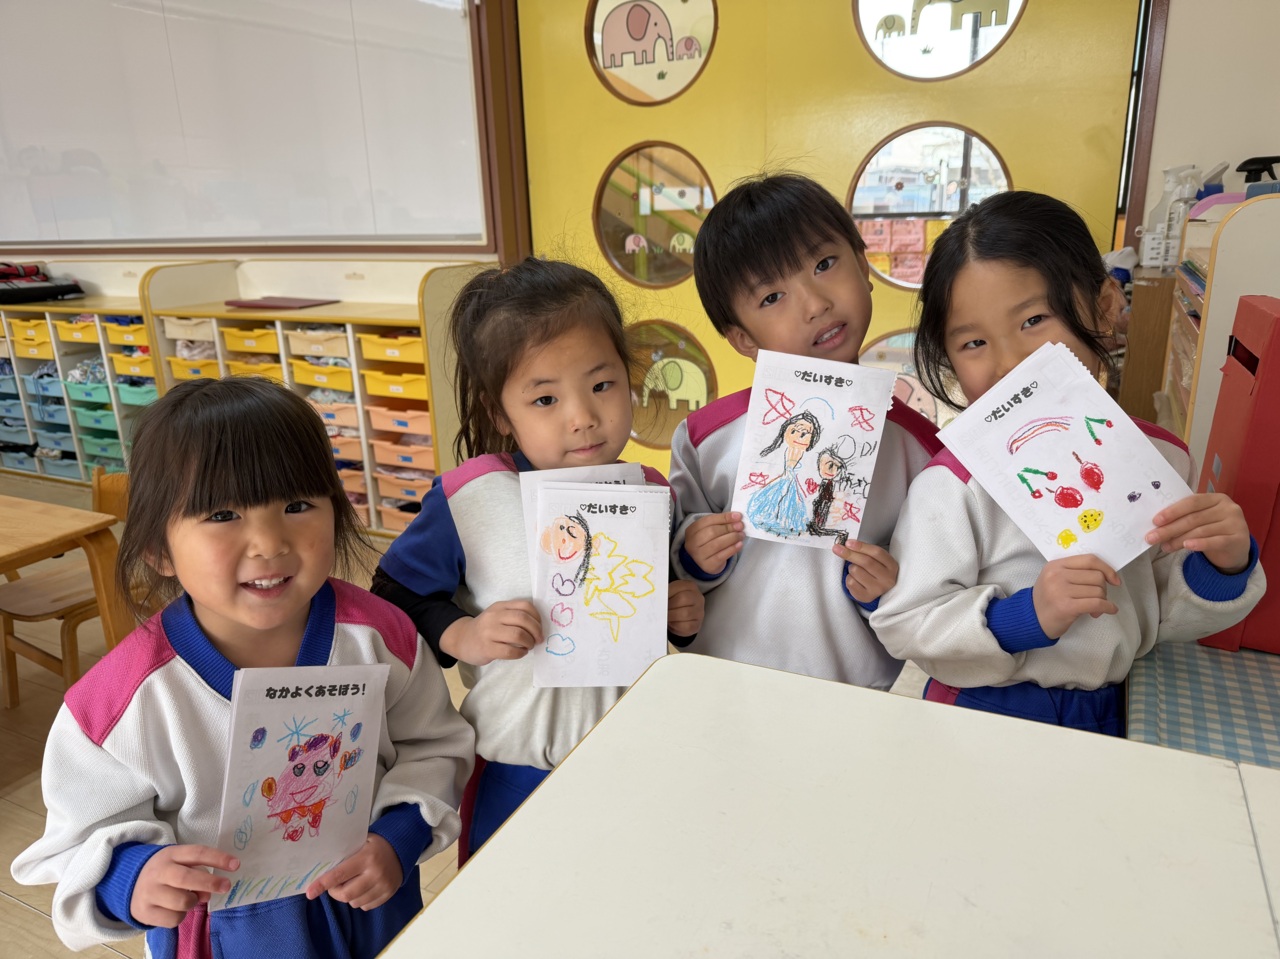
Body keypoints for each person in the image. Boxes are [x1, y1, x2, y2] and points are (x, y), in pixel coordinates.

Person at [11, 377, 475, 958]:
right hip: (222, 935)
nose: (269, 542)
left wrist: (399, 835)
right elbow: (77, 839)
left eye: (297, 505)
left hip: (371, 904)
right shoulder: (120, 702)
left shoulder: (382, 639)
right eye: (223, 514)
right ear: (158, 549)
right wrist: (133, 877)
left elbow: (435, 747)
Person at [871, 190, 1265, 734]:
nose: (1009, 363)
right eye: (974, 343)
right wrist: (1026, 616)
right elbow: (908, 620)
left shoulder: (1159, 457)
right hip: (987, 714)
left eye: (1034, 319)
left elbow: (1164, 612)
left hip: (1122, 711)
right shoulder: (953, 483)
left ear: (1104, 307)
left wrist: (1222, 565)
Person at [370, 258, 704, 857]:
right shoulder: (472, 494)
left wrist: (679, 613)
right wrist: (464, 634)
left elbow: (655, 607)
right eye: (545, 398)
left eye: (601, 385)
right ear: (500, 413)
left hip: (638, 760)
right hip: (516, 769)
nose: (583, 418)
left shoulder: (652, 491)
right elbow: (392, 598)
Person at [669, 172, 941, 686]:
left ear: (863, 264)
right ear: (743, 339)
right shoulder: (705, 437)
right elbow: (672, 576)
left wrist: (889, 590)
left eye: (824, 265)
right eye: (772, 297)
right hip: (723, 686)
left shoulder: (920, 448)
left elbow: (933, 589)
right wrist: (692, 555)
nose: (815, 304)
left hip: (856, 695)